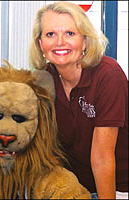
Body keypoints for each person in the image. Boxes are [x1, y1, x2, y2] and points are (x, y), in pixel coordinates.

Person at [29, 1, 128, 199]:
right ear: (40, 44)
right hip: (74, 188)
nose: (59, 42)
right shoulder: (42, 80)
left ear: (85, 40)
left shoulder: (108, 74)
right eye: (50, 34)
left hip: (117, 188)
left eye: (70, 33)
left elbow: (102, 158)